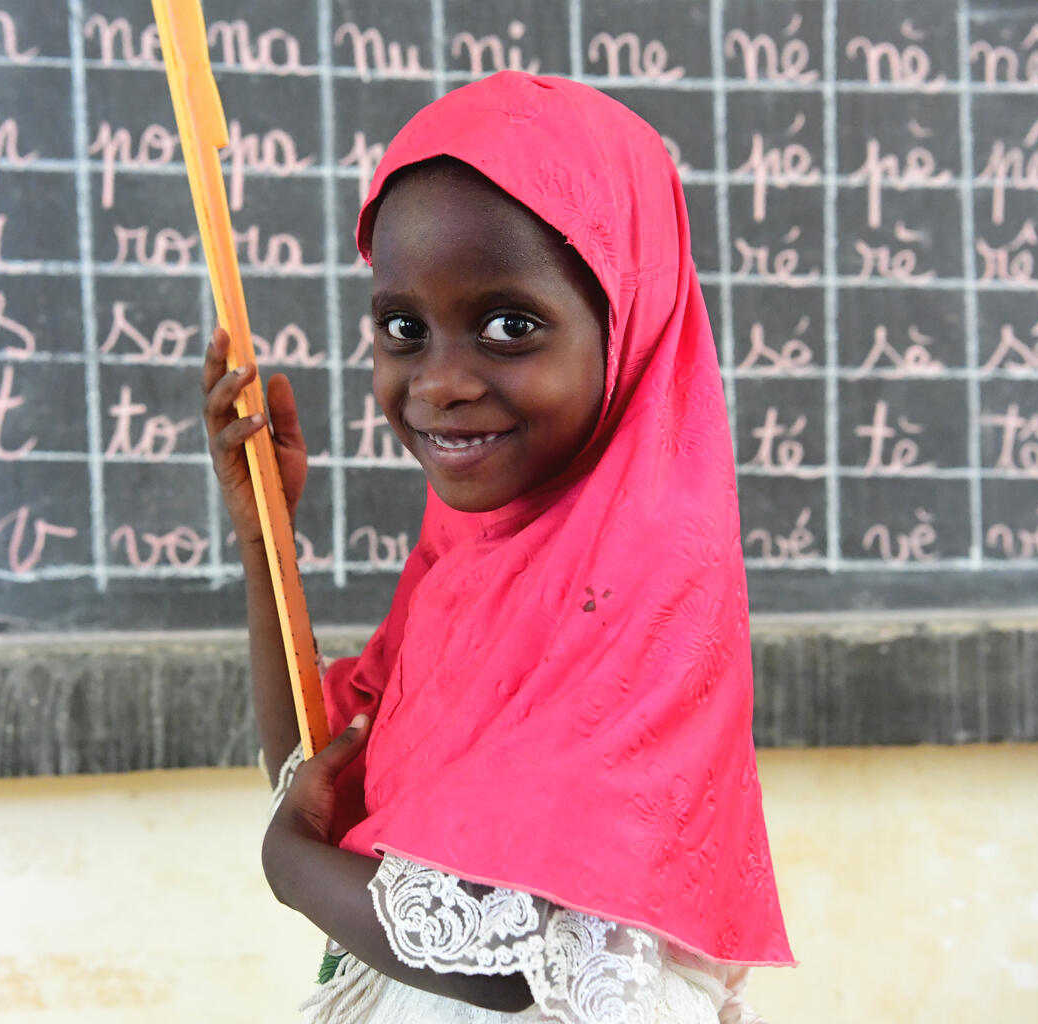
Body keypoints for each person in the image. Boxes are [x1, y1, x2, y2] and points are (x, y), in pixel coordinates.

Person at [202, 71, 793, 1023]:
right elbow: (318, 771)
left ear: (625, 324)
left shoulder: (648, 566)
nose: (438, 384)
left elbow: (505, 955)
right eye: (404, 328)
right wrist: (265, 537)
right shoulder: (474, 554)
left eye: (509, 327)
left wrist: (294, 869)